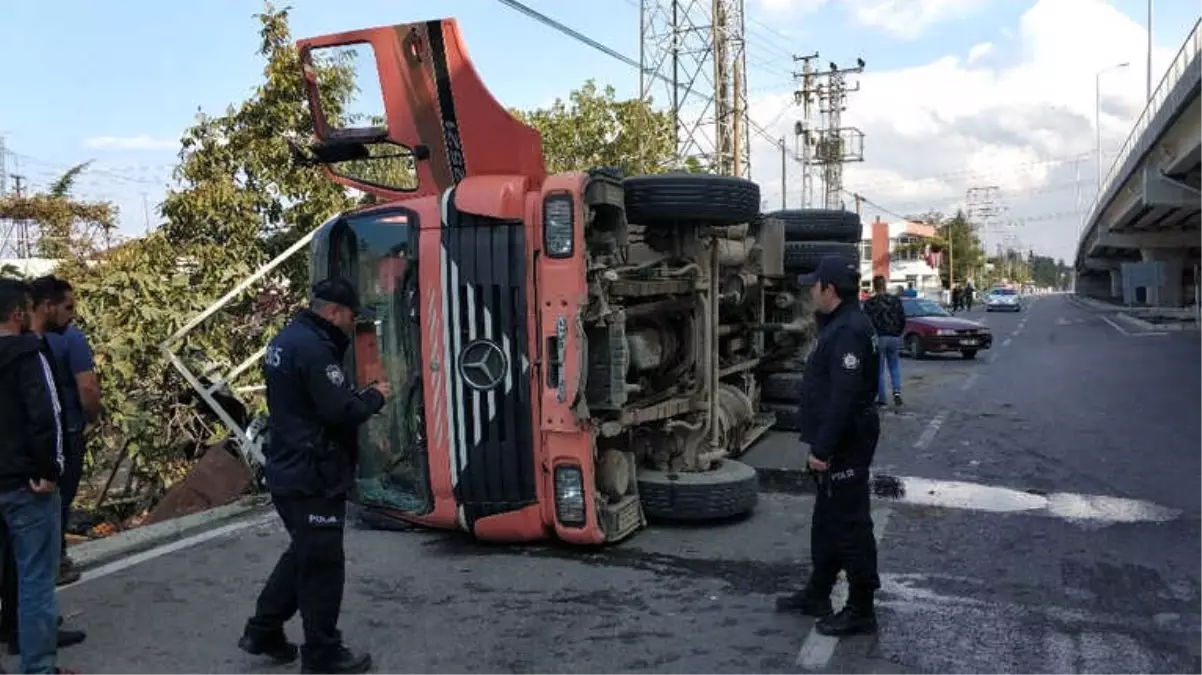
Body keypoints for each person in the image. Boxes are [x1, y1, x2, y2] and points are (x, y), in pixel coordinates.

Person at [240, 278, 389, 675]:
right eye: (350, 317)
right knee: (323, 563)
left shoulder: (287, 339)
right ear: (335, 312)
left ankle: (263, 630)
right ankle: (322, 653)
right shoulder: (313, 349)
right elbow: (340, 411)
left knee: (305, 552)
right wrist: (376, 396)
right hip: (312, 473)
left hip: (289, 466)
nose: (349, 325)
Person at [775, 255, 882, 637]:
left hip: (845, 441)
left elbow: (844, 397)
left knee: (850, 524)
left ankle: (861, 608)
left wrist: (822, 449)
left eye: (814, 287)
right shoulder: (840, 323)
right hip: (839, 438)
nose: (810, 292)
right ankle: (818, 593)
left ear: (830, 290)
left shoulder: (849, 331)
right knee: (827, 523)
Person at [0, 276, 88, 658]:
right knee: (35, 575)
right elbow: (45, 416)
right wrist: (50, 471)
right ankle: (38, 665)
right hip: (26, 482)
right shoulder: (30, 353)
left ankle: (16, 633)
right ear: (20, 312)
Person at [28, 276, 100, 586]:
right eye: (68, 307)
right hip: (65, 430)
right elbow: (88, 387)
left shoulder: (22, 340)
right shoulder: (71, 339)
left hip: (28, 439)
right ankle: (55, 562)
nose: (73, 315)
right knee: (59, 500)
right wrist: (93, 418)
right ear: (48, 305)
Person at [863, 275, 906, 407]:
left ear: (874, 286)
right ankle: (897, 391)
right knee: (894, 366)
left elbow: (866, 323)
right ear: (885, 285)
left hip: (879, 337)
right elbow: (902, 318)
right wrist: (898, 333)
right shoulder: (895, 300)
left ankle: (882, 399)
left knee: (879, 369)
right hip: (894, 336)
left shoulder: (870, 303)